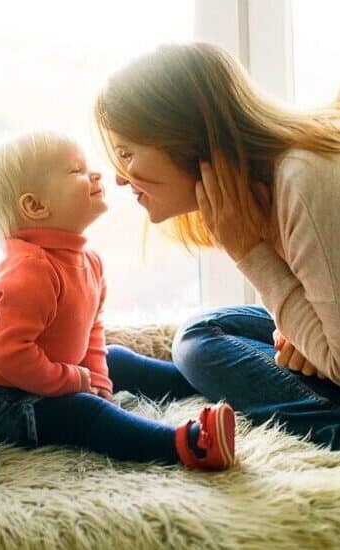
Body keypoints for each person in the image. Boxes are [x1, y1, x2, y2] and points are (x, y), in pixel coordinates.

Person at [94, 42, 340, 450]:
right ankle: (209, 381)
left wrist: (249, 253)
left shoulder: (301, 179)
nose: (120, 178)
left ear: (181, 136)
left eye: (126, 153)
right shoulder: (275, 181)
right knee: (204, 333)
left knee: (198, 345)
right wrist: (298, 334)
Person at [0, 132, 235, 470]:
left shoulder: (89, 261)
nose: (96, 174)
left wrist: (96, 377)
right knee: (83, 412)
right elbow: (10, 355)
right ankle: (186, 444)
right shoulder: (30, 272)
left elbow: (91, 330)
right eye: (76, 171)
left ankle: (206, 381)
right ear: (35, 206)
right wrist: (73, 381)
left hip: (41, 372)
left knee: (117, 358)